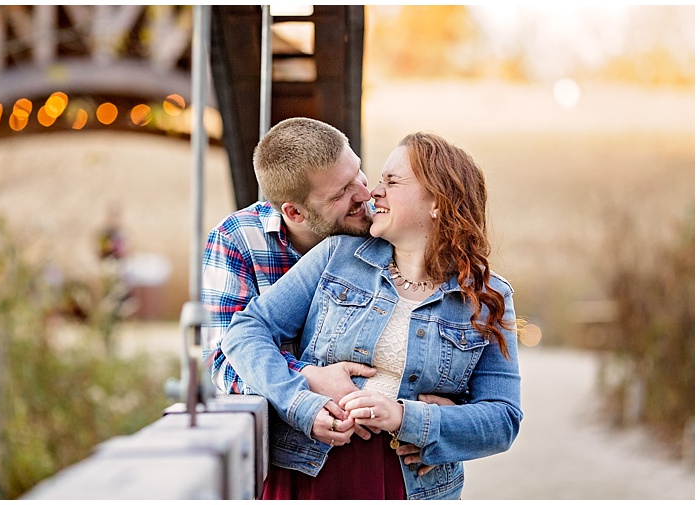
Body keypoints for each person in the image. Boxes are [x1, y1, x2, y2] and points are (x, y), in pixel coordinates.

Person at [220, 132, 521, 499]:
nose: (372, 192)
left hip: (412, 484)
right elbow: (245, 331)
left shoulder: (489, 297)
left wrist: (405, 417)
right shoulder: (338, 256)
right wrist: (301, 402)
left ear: (438, 202)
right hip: (310, 468)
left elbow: (503, 419)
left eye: (391, 181)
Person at [202, 117, 382, 402]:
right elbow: (222, 362)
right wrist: (307, 377)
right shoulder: (236, 240)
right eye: (341, 192)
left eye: (357, 173)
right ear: (295, 213)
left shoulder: (382, 225)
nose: (364, 194)